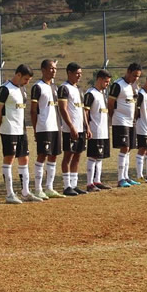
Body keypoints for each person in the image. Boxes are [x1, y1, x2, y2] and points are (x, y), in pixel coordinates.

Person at [0, 64, 41, 203]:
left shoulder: (22, 89)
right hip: (9, 130)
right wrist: (1, 126)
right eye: (25, 79)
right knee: (9, 158)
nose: (27, 82)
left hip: (21, 130)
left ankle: (25, 192)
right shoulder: (5, 89)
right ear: (18, 75)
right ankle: (10, 194)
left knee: (24, 158)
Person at [30, 59, 66, 199]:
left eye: (55, 68)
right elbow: (33, 111)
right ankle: (38, 189)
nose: (54, 71)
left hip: (55, 126)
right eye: (51, 68)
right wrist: (36, 128)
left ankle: (49, 187)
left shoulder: (55, 87)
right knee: (42, 155)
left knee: (53, 156)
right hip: (43, 127)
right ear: (43, 70)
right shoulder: (37, 87)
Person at [57, 62, 89, 196]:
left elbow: (82, 110)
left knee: (77, 155)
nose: (79, 76)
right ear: (69, 73)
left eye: (80, 73)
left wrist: (87, 126)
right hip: (70, 129)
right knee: (68, 156)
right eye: (77, 73)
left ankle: (74, 185)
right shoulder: (64, 88)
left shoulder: (79, 90)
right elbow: (63, 109)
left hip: (81, 128)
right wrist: (71, 127)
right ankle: (66, 186)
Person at [109, 63, 142, 187]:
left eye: (138, 76)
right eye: (134, 75)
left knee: (129, 149)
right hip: (120, 120)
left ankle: (126, 177)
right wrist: (114, 118)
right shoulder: (118, 85)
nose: (135, 78)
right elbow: (110, 103)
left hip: (130, 121)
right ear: (128, 71)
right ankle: (120, 179)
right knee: (124, 147)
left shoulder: (133, 86)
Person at [84, 69, 113, 192]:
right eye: (106, 82)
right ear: (99, 79)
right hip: (94, 130)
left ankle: (97, 180)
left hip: (103, 130)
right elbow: (85, 112)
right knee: (93, 156)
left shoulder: (102, 94)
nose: (107, 84)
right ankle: (89, 183)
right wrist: (87, 127)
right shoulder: (91, 93)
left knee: (100, 157)